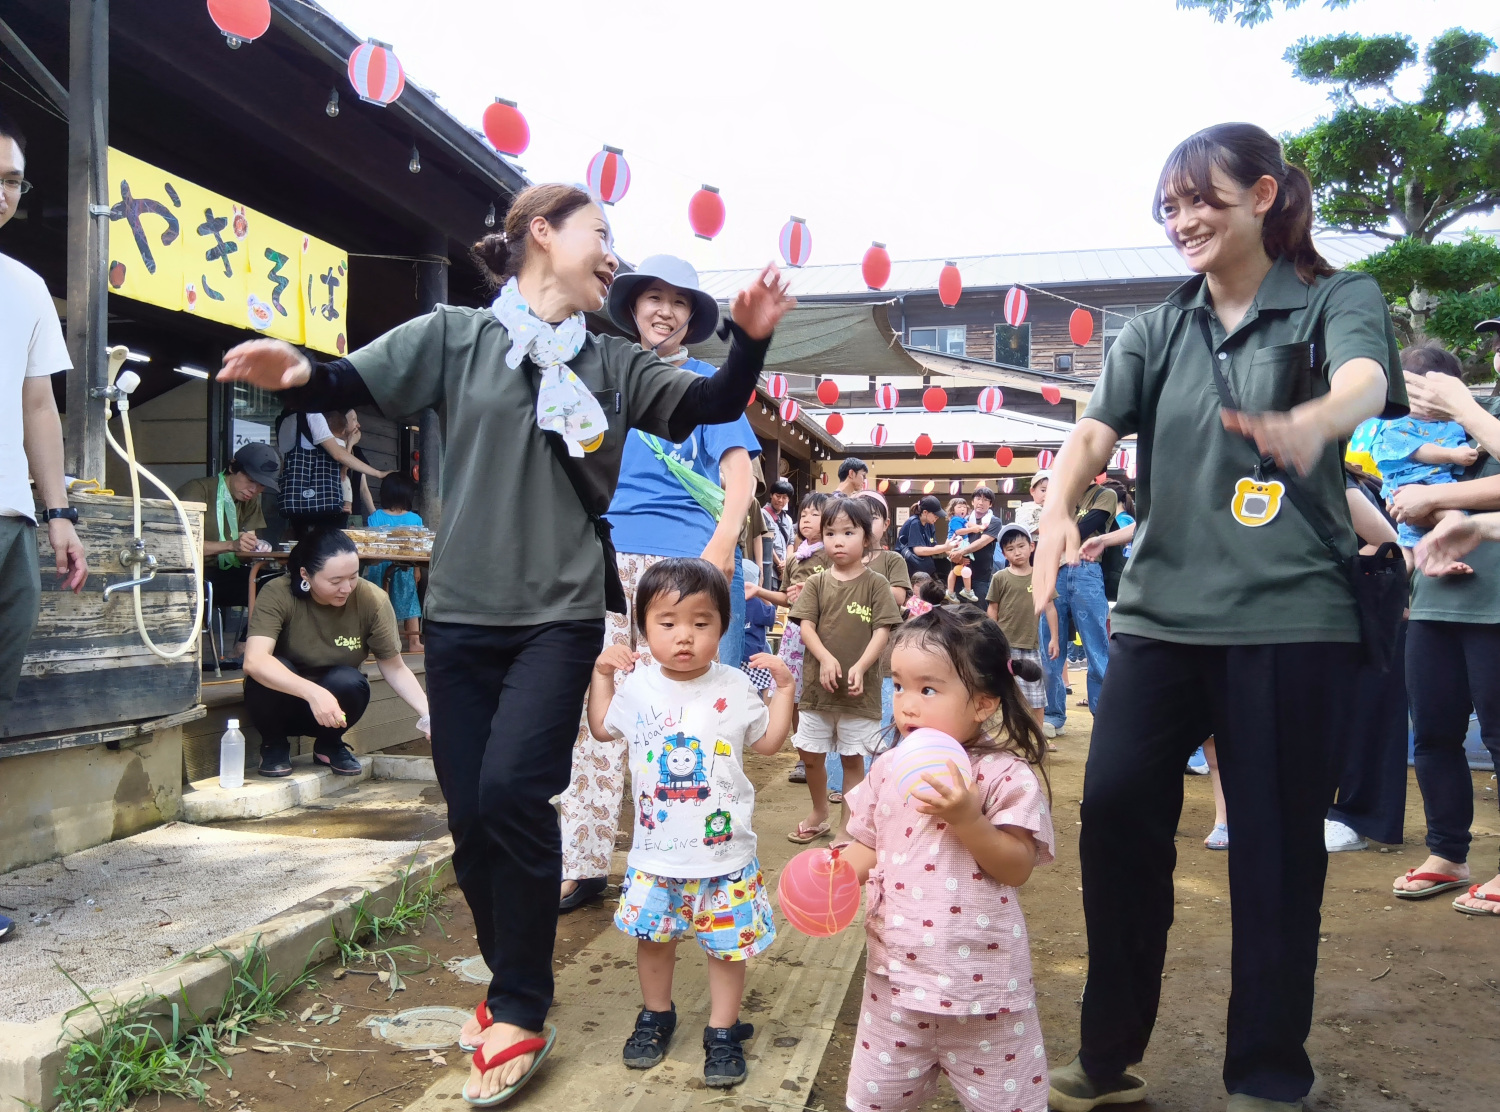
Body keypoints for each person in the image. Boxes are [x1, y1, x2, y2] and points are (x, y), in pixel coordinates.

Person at [216, 182, 792, 1105]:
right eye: (600, 233)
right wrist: (296, 375)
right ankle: (508, 975)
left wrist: (752, 338)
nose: (612, 254)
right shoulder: (456, 336)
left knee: (515, 793)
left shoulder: (615, 361)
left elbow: (712, 400)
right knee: (470, 814)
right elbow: (344, 384)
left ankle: (521, 1003)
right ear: (542, 234)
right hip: (461, 614)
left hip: (560, 615)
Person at [1035, 123, 1405, 1112]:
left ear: (1265, 195)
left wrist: (1316, 419)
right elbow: (1094, 430)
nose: (1183, 220)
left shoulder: (1333, 297)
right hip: (1160, 615)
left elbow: (1366, 380)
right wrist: (1057, 507)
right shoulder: (1158, 327)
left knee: (1275, 848)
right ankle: (1107, 1053)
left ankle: (1269, 1071)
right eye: (1170, 206)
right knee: (1115, 812)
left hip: (1292, 618)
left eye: (1202, 199)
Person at [557, 253, 760, 912]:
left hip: (680, 568)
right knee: (598, 706)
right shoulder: (604, 379)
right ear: (634, 307)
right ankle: (582, 862)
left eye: (679, 302)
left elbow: (739, 476)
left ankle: (696, 850)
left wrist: (719, 551)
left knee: (687, 714)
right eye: (654, 298)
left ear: (691, 317)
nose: (665, 311)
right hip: (604, 560)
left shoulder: (707, 384)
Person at [585, 558, 794, 1087]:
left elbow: (769, 744)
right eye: (668, 622)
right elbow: (602, 728)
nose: (685, 636)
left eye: (701, 623)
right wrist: (602, 674)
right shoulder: (638, 686)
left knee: (727, 948)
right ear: (643, 627)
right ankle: (657, 1015)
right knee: (654, 940)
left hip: (725, 857)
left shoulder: (736, 685)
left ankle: (722, 1030)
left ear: (722, 626)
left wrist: (786, 690)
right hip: (656, 856)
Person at [837, 606, 1055, 1112]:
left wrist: (968, 818)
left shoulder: (1004, 776)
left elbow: (1016, 866)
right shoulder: (888, 768)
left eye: (928, 689)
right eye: (898, 686)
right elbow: (868, 844)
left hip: (986, 992)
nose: (907, 705)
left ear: (982, 702)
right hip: (894, 983)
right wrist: (833, 875)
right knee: (874, 1102)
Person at [1388, 326, 1500, 916]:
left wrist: (1434, 498)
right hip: (1435, 597)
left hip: (1496, 603)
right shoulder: (1446, 423)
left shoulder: (1473, 415)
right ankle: (1447, 852)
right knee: (1432, 732)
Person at [0, 107, 88, 750]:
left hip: (12, 522)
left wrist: (58, 513)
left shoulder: (26, 288)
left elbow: (37, 407)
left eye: (11, 180)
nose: (1, 193)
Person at [244, 530, 429, 777]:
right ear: (305, 574)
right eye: (335, 581)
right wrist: (314, 693)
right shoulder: (278, 593)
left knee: (350, 681)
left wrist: (428, 715)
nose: (346, 588)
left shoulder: (372, 599)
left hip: (334, 710)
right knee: (270, 670)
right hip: (282, 702)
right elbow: (254, 660)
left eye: (353, 577)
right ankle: (273, 744)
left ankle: (330, 743)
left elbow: (394, 667)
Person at [787, 496, 902, 843]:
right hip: (817, 690)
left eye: (848, 532)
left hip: (858, 692)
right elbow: (806, 626)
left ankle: (847, 826)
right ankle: (819, 812)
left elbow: (882, 630)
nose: (838, 541)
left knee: (853, 760)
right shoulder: (817, 582)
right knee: (811, 757)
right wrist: (825, 658)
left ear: (866, 538)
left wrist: (862, 666)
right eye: (830, 533)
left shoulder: (876, 583)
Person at [826, 490, 911, 803]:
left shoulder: (891, 560)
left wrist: (860, 582)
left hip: (883, 660)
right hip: (843, 657)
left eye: (872, 516)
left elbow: (899, 596)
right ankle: (842, 786)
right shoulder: (835, 564)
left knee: (881, 722)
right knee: (843, 724)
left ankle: (882, 785)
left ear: (885, 524)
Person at [1370, 344, 1477, 554]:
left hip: (1438, 486)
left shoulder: (1447, 421)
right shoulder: (1395, 424)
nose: (1427, 406)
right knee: (1451, 517)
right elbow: (1418, 450)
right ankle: (1433, 549)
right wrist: (1452, 455)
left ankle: (1434, 556)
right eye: (1416, 397)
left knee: (1413, 547)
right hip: (1408, 486)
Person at [1037, 477, 1114, 739]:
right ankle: (1053, 715)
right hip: (1054, 570)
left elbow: (1081, 529)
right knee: (1049, 647)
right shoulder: (1061, 494)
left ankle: (1104, 717)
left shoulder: (1104, 495)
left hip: (1086, 568)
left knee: (1096, 648)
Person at [986, 524, 1060, 736]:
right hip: (1004, 647)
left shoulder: (1041, 576)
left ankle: (1038, 737)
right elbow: (992, 609)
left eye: (1021, 546)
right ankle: (1009, 735)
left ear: (1032, 546)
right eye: (1010, 549)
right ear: (1003, 553)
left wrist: (1054, 638)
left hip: (1030, 646)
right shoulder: (1000, 577)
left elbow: (1050, 608)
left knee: (1036, 696)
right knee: (1003, 692)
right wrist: (992, 639)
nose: (1017, 552)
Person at [276, 407, 388, 538]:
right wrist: (378, 473)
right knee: (330, 542)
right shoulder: (314, 416)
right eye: (353, 419)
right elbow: (339, 456)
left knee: (302, 540)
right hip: (325, 502)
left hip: (296, 499)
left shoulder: (287, 420)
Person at [361, 471, 424, 653]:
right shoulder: (415, 519)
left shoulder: (376, 517)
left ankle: (377, 641)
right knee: (409, 600)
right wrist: (417, 570)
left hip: (379, 566)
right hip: (404, 567)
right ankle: (414, 642)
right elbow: (418, 549)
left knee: (378, 602)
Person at [949, 486, 1004, 604]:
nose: (981, 502)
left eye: (985, 500)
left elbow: (982, 542)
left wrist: (961, 552)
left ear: (990, 504)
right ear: (972, 502)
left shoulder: (994, 521)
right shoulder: (962, 520)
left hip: (981, 576)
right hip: (959, 573)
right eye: (978, 499)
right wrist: (954, 555)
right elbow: (949, 542)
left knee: (979, 612)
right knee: (957, 613)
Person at [896, 495, 947, 578]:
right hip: (907, 568)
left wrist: (949, 546)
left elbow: (933, 547)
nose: (937, 517)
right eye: (935, 515)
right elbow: (918, 550)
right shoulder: (914, 523)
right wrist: (945, 547)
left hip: (921, 568)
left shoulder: (930, 525)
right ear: (925, 512)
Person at [763, 477, 796, 579]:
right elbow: (765, 542)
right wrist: (779, 564)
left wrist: (787, 562)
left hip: (785, 569)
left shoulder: (788, 519)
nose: (780, 500)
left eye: (784, 497)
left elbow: (790, 542)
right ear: (771, 495)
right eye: (777, 496)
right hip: (768, 567)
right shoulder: (762, 514)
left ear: (788, 499)